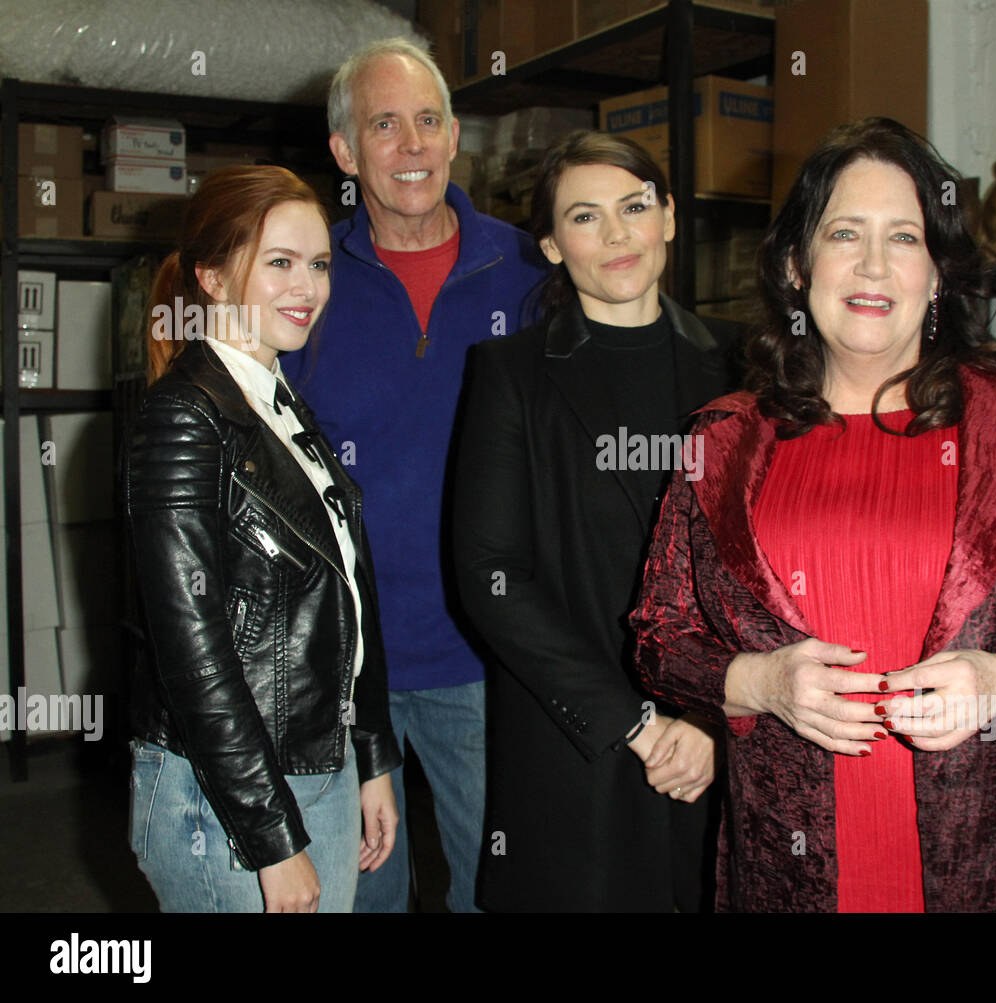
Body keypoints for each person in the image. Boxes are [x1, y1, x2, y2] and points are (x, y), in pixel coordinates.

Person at [631, 117, 996, 912]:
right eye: (846, 232)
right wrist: (760, 680)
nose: (874, 264)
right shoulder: (722, 447)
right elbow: (660, 637)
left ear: (937, 273)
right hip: (793, 868)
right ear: (799, 264)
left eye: (905, 237)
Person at [278, 38, 549, 913]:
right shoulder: (308, 283)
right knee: (364, 898)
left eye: (428, 121)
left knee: (495, 886)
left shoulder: (529, 271)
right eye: (384, 126)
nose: (412, 146)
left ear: (456, 135)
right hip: (348, 669)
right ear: (346, 153)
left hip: (485, 655)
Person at [452, 131, 734, 911]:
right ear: (549, 243)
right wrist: (637, 724)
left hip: (719, 744)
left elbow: (768, 569)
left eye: (634, 207)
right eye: (584, 216)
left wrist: (712, 712)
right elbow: (491, 575)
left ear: (668, 217)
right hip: (575, 745)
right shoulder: (510, 374)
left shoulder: (745, 367)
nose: (616, 235)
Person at [126, 165, 401, 912]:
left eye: (317, 263)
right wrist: (271, 835)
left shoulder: (278, 402)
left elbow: (351, 590)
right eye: (279, 262)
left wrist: (371, 756)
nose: (306, 286)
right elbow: (192, 650)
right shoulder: (186, 417)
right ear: (212, 276)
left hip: (319, 760)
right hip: (225, 793)